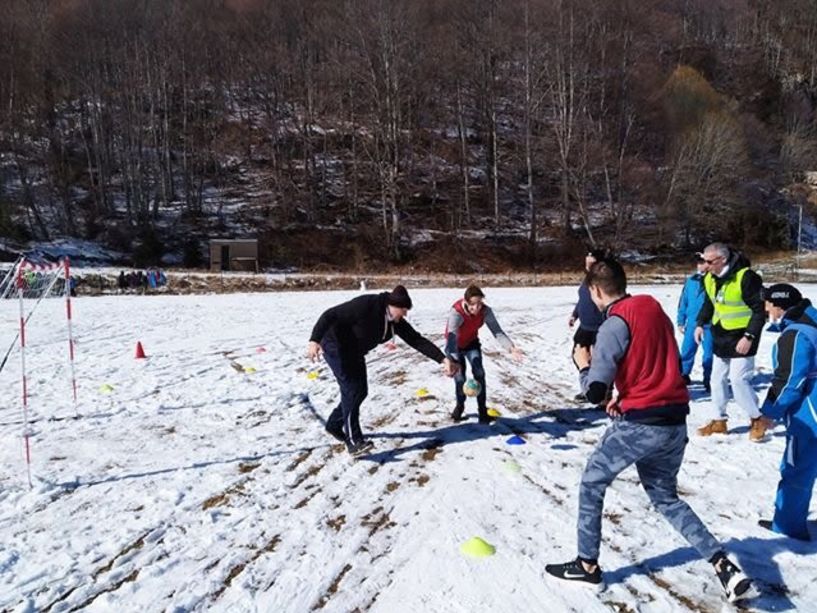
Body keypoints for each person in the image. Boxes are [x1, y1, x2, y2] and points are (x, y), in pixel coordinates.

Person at [545, 258, 754, 603]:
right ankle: (722, 565)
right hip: (672, 421)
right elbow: (648, 363)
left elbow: (595, 391)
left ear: (595, 291)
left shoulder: (613, 325)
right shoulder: (652, 306)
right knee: (666, 499)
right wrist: (624, 398)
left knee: (592, 481)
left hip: (640, 425)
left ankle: (587, 565)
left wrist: (582, 364)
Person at [307, 285, 458, 456]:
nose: (405, 314)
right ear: (392, 305)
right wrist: (314, 340)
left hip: (355, 351)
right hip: (335, 347)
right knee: (351, 391)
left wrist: (443, 359)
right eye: (403, 309)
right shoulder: (367, 304)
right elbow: (330, 315)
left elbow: (416, 340)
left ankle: (334, 424)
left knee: (360, 391)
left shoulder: (395, 321)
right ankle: (354, 441)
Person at [758, 283, 816, 541]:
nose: (765, 309)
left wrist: (769, 412)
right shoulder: (812, 321)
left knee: (797, 468)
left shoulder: (794, 335)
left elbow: (789, 380)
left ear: (779, 307)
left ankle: (788, 525)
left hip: (810, 414)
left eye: (767, 304)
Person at [694, 242, 768, 441]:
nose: (705, 265)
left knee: (738, 380)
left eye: (710, 261)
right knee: (716, 380)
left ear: (723, 260)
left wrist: (749, 336)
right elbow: (710, 303)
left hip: (744, 336)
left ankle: (757, 418)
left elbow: (760, 311)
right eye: (704, 260)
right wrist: (700, 323)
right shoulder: (709, 278)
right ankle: (719, 421)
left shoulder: (746, 278)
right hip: (722, 335)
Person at [445, 285, 524, 423]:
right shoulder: (456, 312)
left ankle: (482, 411)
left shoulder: (485, 311)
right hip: (455, 347)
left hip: (471, 344)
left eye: (479, 303)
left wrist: (511, 348)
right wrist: (452, 360)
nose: (476, 308)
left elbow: (497, 331)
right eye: (472, 304)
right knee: (460, 378)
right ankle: (459, 407)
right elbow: (451, 337)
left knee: (479, 373)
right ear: (466, 301)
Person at [569, 248, 607, 402]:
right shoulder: (586, 280)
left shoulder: (604, 280)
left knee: (601, 360)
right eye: (587, 263)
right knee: (578, 356)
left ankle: (604, 394)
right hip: (584, 326)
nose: (588, 266)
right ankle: (587, 387)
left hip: (599, 327)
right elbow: (582, 300)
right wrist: (574, 314)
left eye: (592, 263)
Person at [677, 256, 713, 391]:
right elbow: (683, 301)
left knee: (709, 354)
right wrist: (681, 320)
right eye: (698, 262)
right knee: (686, 351)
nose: (700, 265)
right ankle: (683, 375)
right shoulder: (691, 281)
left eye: (703, 262)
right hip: (691, 323)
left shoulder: (713, 280)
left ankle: (709, 378)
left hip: (709, 325)